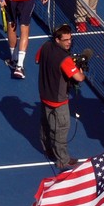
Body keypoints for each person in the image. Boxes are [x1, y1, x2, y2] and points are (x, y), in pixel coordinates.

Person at [35, 24, 84, 170]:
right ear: (57, 40)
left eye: (70, 39)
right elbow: (79, 77)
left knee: (46, 124)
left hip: (44, 94)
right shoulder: (64, 58)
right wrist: (80, 69)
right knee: (61, 129)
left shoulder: (45, 46)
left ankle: (48, 150)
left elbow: (37, 60)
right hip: (58, 100)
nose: (69, 42)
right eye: (65, 40)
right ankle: (62, 160)